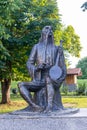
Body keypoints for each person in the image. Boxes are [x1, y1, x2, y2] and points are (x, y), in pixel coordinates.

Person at [18, 26, 66, 112]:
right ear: (43, 33)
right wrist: (37, 68)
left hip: (52, 79)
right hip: (39, 79)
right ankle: (34, 106)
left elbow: (62, 67)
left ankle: (49, 107)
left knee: (48, 80)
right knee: (21, 85)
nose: (49, 31)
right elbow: (29, 63)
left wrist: (59, 78)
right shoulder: (36, 47)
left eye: (51, 30)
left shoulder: (56, 49)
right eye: (47, 29)